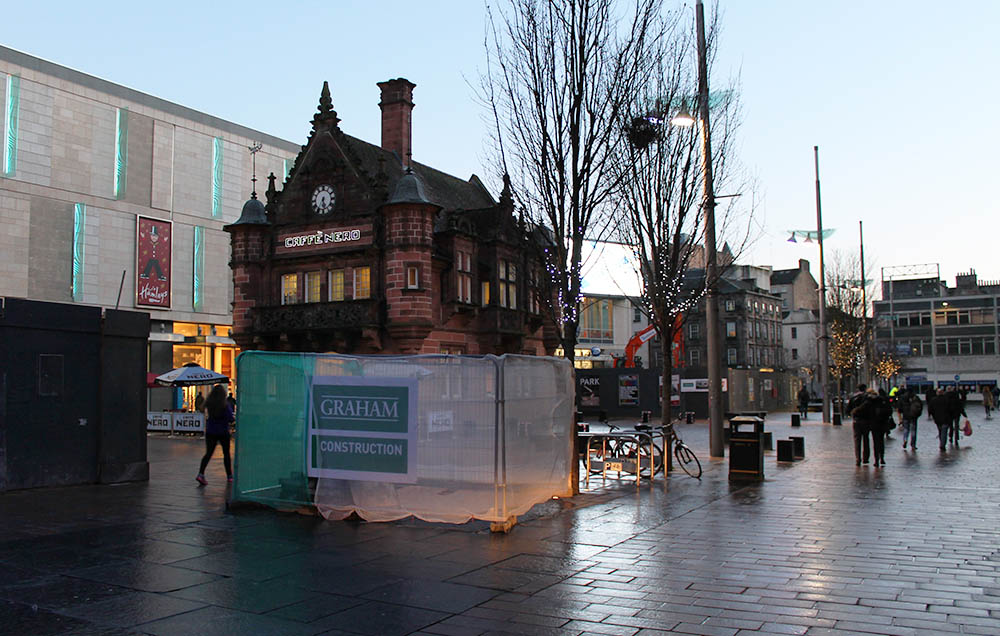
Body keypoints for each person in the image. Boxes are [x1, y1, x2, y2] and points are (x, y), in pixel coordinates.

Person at [196, 384, 234, 485]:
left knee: (208, 453)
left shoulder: (209, 403)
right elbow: (230, 418)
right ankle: (229, 476)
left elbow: (201, 409)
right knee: (226, 453)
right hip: (223, 431)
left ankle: (201, 473)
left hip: (211, 431)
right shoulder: (225, 405)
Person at [848, 384, 876, 466]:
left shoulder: (853, 398)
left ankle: (858, 459)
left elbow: (848, 410)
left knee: (857, 440)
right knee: (866, 439)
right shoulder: (868, 398)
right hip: (866, 421)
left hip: (856, 421)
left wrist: (853, 413)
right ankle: (865, 458)